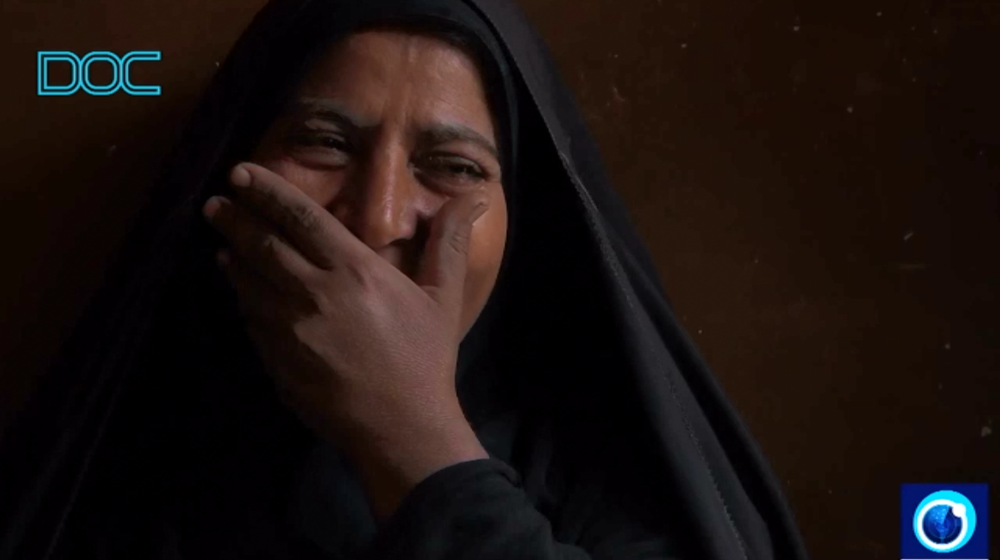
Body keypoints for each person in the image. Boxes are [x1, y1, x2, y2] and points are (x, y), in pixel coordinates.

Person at [0, 0, 811, 559]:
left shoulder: (616, 472)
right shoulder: (124, 460)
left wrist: (418, 443)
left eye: (453, 166)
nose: (379, 218)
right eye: (323, 142)